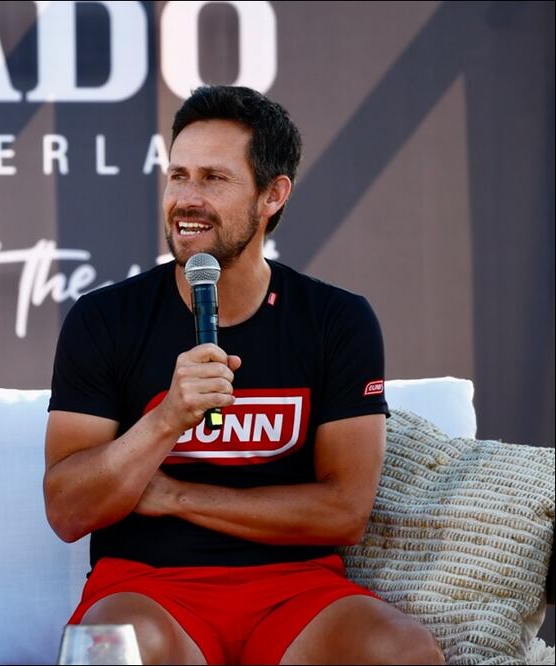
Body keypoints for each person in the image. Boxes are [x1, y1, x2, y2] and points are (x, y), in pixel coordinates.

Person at [43, 86, 444, 665]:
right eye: (178, 175)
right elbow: (67, 510)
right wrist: (165, 419)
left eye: (214, 179)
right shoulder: (104, 318)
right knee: (104, 648)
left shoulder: (336, 320)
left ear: (272, 196)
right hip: (148, 587)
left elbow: (343, 512)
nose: (187, 198)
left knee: (404, 651)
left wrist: (174, 493)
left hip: (296, 589)